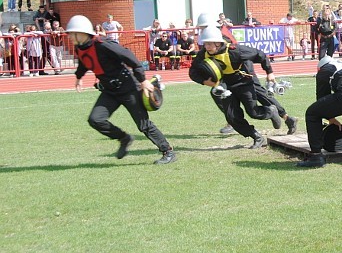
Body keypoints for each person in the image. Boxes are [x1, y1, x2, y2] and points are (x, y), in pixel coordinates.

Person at [67, 15, 176, 164]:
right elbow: (85, 62)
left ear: (83, 33)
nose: (70, 36)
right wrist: (79, 77)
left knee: (143, 125)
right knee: (95, 120)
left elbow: (129, 56)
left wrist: (142, 80)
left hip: (128, 87)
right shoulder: (80, 47)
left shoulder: (103, 44)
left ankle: (167, 151)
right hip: (109, 91)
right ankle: (124, 138)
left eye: (73, 33)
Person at [189, 25, 283, 149]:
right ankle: (256, 137)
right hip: (225, 86)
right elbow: (193, 72)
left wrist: (269, 73)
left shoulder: (235, 51)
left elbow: (260, 55)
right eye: (205, 44)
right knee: (232, 117)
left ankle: (271, 111)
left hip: (243, 83)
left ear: (218, 43)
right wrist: (207, 82)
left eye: (209, 44)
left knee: (253, 112)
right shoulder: (203, 54)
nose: (206, 47)